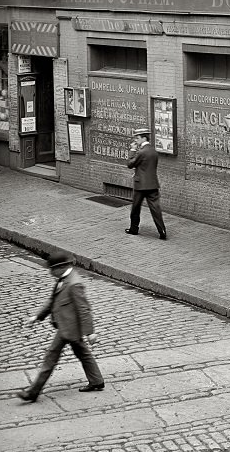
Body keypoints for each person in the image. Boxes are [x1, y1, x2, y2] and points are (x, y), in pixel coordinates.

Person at [17, 249, 105, 402]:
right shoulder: (64, 279)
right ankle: (97, 381)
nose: (51, 273)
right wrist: (37, 317)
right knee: (83, 354)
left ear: (61, 267)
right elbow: (52, 301)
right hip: (67, 327)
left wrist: (90, 332)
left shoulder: (74, 284)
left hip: (69, 330)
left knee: (50, 358)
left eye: (52, 270)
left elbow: (84, 309)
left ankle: (33, 392)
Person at [125, 127, 167, 240]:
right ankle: (162, 230)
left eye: (137, 138)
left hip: (140, 185)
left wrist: (132, 151)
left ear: (144, 138)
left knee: (136, 208)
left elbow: (130, 164)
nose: (136, 141)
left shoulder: (141, 152)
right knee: (155, 208)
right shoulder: (153, 150)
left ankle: (133, 229)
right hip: (153, 184)